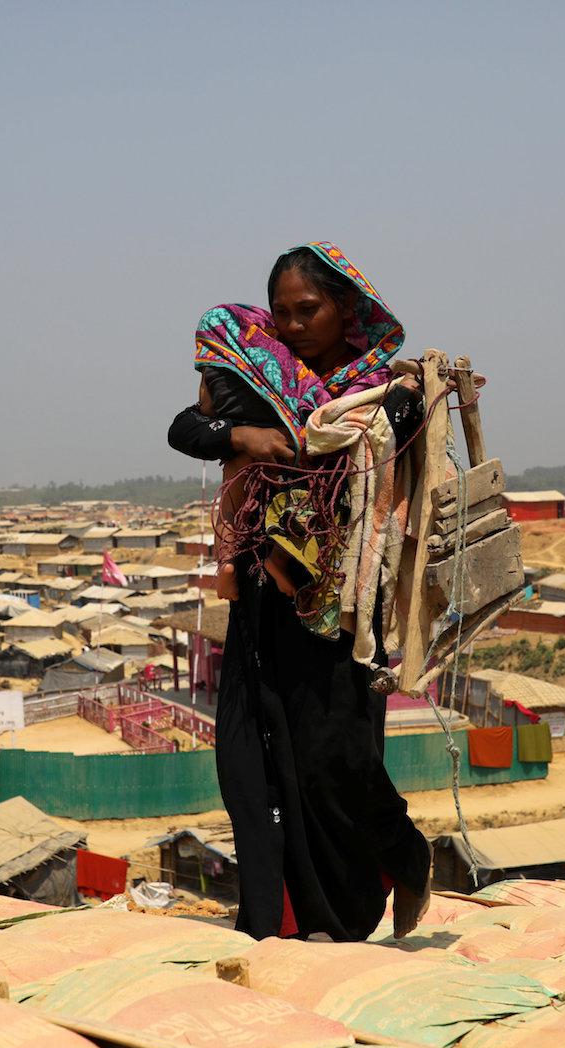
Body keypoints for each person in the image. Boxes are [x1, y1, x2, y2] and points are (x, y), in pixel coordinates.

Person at [168, 242, 431, 942]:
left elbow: (397, 445)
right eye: (281, 311)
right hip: (263, 596)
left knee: (334, 761)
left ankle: (401, 859)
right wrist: (246, 435)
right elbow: (185, 428)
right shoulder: (256, 376)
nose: (291, 324)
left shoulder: (383, 385)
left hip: (342, 605)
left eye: (307, 309)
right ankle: (272, 922)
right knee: (251, 763)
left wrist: (358, 426)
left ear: (348, 307)